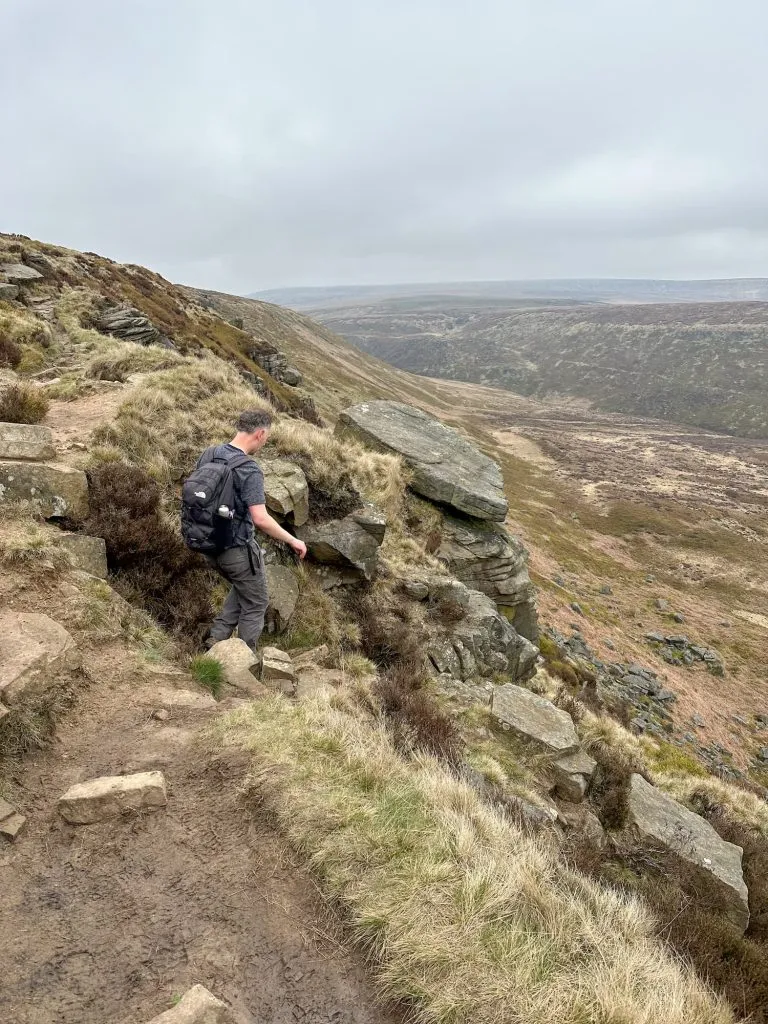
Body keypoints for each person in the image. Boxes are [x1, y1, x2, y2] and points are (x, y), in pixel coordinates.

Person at [198, 409, 307, 652]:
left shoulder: (209, 454)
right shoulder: (249, 469)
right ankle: (244, 660)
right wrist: (293, 540)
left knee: (244, 587)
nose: (265, 441)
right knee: (256, 602)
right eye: (266, 436)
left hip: (205, 543)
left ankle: (215, 640)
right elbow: (260, 518)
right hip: (235, 549)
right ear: (260, 433)